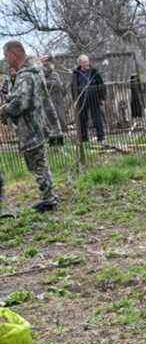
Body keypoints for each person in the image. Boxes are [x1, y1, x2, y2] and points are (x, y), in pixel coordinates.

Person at [0, 41, 59, 214]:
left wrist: (3, 110)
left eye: (6, 55)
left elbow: (20, 103)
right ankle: (48, 198)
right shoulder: (31, 70)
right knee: (39, 164)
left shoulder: (26, 75)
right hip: (34, 125)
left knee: (38, 164)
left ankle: (49, 200)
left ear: (14, 53)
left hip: (30, 127)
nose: (5, 59)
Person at [70, 54, 106, 144]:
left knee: (97, 118)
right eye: (84, 62)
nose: (86, 63)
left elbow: (101, 85)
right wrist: (75, 99)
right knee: (82, 119)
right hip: (81, 99)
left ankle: (101, 137)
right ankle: (84, 139)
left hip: (94, 97)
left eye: (87, 61)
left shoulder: (94, 72)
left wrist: (102, 98)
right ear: (80, 63)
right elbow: (73, 87)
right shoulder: (76, 73)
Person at [39, 56, 65, 145]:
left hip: (56, 101)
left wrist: (47, 83)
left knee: (57, 121)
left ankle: (59, 143)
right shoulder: (40, 75)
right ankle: (52, 143)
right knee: (48, 123)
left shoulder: (55, 74)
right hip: (45, 102)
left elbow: (58, 84)